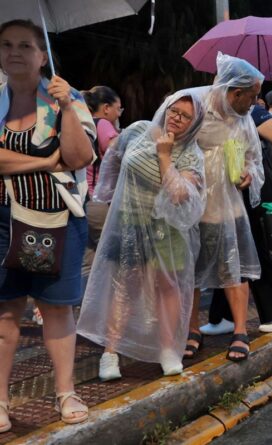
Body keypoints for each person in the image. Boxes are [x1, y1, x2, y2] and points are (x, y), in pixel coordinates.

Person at [0, 19, 96, 428]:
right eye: (6, 45)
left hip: (56, 221)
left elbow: (79, 158)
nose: (14, 53)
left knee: (56, 309)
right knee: (4, 312)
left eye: (25, 45)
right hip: (4, 220)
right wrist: (42, 161)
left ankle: (65, 392)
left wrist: (68, 107)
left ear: (43, 55)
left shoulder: (64, 97)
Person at [77, 89, 206, 380]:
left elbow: (178, 194)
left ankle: (167, 350)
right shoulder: (138, 130)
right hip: (130, 220)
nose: (177, 118)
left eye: (186, 116)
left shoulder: (190, 153)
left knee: (168, 287)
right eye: (175, 110)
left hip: (167, 228)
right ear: (166, 107)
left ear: (194, 123)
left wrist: (164, 156)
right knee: (126, 284)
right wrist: (106, 193)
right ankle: (110, 352)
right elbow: (112, 157)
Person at [186, 53, 267, 363]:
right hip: (192, 208)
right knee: (188, 272)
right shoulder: (193, 105)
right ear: (236, 92)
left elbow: (254, 159)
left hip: (228, 209)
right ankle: (191, 330)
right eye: (253, 95)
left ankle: (241, 332)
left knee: (234, 269)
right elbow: (167, 144)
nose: (255, 102)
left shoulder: (244, 120)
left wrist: (250, 175)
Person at [200, 96, 272, 336]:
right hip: (229, 192)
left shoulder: (253, 113)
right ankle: (222, 315)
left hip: (254, 190)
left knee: (253, 249)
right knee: (230, 250)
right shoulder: (222, 115)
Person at [81, 86, 122, 275]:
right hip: (99, 201)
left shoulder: (85, 124)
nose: (118, 113)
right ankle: (112, 302)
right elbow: (119, 152)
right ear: (106, 108)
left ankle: (81, 304)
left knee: (88, 260)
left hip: (83, 200)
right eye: (118, 108)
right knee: (115, 255)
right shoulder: (103, 124)